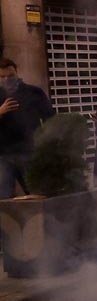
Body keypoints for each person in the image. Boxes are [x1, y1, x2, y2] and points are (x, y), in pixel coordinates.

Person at [0, 58, 55, 199]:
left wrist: (46, 144)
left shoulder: (33, 92)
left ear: (17, 73)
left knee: (36, 194)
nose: (7, 79)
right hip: (3, 155)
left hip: (28, 152)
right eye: (2, 76)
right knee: (3, 197)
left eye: (10, 76)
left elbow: (50, 119)